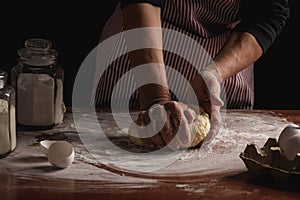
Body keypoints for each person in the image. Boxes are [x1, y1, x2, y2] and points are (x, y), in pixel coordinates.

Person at [93, 0, 290, 148]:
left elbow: (268, 15)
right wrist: (155, 97)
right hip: (136, 67)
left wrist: (215, 72)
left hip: (222, 64)